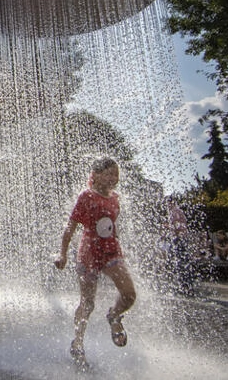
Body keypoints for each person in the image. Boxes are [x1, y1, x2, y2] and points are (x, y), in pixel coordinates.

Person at [55, 157, 136, 369]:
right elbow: (70, 227)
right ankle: (78, 343)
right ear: (96, 175)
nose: (114, 178)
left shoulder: (116, 198)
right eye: (109, 173)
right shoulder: (86, 196)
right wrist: (62, 254)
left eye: (116, 174)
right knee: (88, 303)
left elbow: (110, 227)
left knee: (129, 295)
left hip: (110, 253)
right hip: (89, 254)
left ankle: (114, 315)